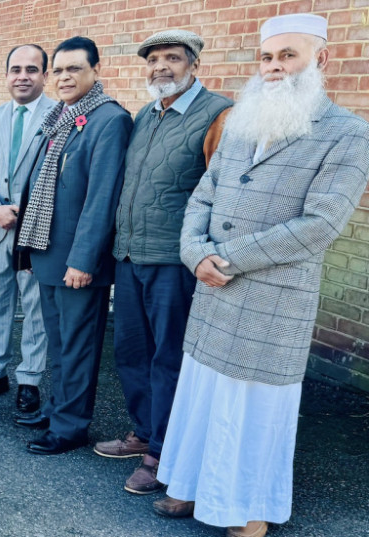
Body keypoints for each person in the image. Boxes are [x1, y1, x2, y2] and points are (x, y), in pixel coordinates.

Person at [153, 15, 369, 537]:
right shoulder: (242, 121)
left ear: (319, 60)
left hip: (270, 296)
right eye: (267, 57)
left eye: (288, 55)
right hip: (213, 287)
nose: (274, 67)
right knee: (202, 392)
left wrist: (223, 259)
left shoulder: (348, 133)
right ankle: (187, 484)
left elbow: (320, 225)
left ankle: (247, 509)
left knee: (253, 408)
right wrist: (193, 252)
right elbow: (203, 193)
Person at [95, 30, 232, 495]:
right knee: (131, 351)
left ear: (194, 63)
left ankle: (164, 451)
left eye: (172, 58)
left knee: (168, 356)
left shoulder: (217, 113)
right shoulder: (145, 115)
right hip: (131, 255)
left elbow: (223, 192)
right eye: (153, 59)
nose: (161, 67)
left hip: (175, 261)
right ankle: (143, 431)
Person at [14, 36, 133, 455]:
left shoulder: (108, 120)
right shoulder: (61, 117)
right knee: (59, 343)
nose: (64, 77)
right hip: (48, 252)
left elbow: (102, 198)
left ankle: (70, 427)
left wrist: (83, 260)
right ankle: (59, 407)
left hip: (77, 262)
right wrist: (27, 250)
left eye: (74, 69)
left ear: (95, 71)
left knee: (78, 346)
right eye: (59, 70)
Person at [0, 44, 54, 423]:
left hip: (37, 231)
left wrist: (26, 211)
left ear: (44, 75)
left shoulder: (60, 115)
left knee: (35, 307)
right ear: (6, 75)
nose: (23, 76)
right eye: (16, 69)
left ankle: (30, 380)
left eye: (31, 69)